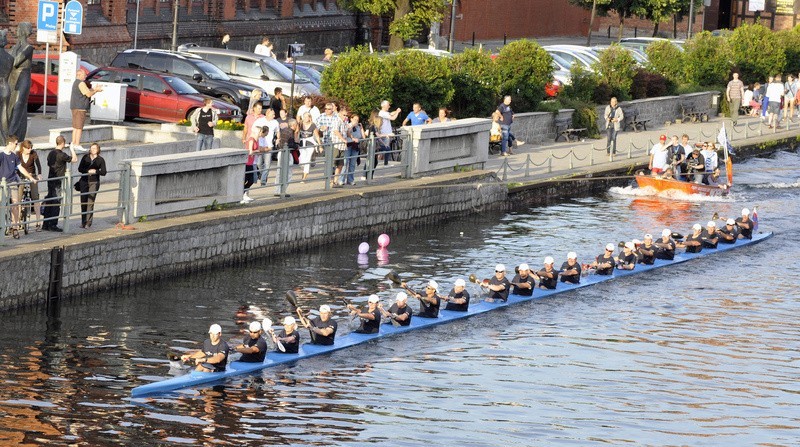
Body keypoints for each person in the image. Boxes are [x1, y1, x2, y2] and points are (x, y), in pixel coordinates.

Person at [0, 136, 35, 238]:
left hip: (13, 182)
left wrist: (30, 177)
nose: (17, 146)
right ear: (10, 143)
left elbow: (21, 168)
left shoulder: (14, 156)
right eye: (16, 144)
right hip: (2, 184)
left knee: (15, 204)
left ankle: (15, 227)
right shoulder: (1, 156)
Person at [42, 135, 77, 232]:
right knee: (56, 202)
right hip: (58, 180)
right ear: (63, 143)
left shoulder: (51, 153)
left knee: (50, 200)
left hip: (50, 179)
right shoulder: (62, 155)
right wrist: (72, 149)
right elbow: (74, 159)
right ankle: (53, 224)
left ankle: (45, 224)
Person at [69, 69, 102, 153]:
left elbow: (86, 91)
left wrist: (94, 88)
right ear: (79, 75)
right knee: (79, 127)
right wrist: (96, 91)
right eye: (84, 74)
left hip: (74, 107)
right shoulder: (81, 83)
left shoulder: (75, 82)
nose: (86, 76)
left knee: (75, 126)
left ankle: (73, 143)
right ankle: (77, 144)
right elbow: (88, 94)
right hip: (80, 108)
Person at [76, 142, 107, 229]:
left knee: (90, 201)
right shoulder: (85, 157)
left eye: (95, 148)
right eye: (92, 148)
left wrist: (96, 171)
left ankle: (88, 222)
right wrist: (87, 171)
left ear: (98, 150)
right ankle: (83, 222)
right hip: (84, 181)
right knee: (83, 201)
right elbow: (80, 169)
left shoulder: (100, 160)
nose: (93, 150)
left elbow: (104, 172)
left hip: (94, 182)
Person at [15, 139, 42, 231]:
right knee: (18, 199)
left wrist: (39, 174)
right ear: (23, 148)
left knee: (36, 198)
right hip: (21, 177)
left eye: (31, 148)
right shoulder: (18, 154)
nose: (30, 150)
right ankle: (17, 221)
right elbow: (16, 166)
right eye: (28, 148)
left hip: (32, 176)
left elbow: (38, 164)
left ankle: (38, 222)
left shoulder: (33, 153)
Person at [254, 107, 279, 187]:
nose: (274, 116)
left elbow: (277, 131)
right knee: (259, 163)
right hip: (260, 145)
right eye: (273, 114)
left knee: (267, 164)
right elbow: (254, 129)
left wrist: (278, 138)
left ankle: (263, 181)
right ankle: (262, 174)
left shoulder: (275, 122)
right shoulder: (260, 121)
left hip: (269, 146)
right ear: (267, 114)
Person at [274, 118, 297, 196]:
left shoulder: (284, 130)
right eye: (296, 125)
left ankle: (277, 190)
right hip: (286, 153)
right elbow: (290, 144)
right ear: (293, 125)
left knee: (279, 172)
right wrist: (296, 145)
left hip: (281, 152)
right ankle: (283, 190)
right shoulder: (290, 132)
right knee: (288, 172)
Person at [296, 112, 320, 182]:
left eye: (307, 117)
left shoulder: (313, 125)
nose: (306, 118)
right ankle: (304, 171)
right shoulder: (300, 124)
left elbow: (317, 135)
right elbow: (296, 132)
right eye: (304, 117)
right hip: (302, 142)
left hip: (310, 142)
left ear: (310, 118)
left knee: (307, 160)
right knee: (301, 160)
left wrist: (320, 145)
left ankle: (304, 178)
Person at [343, 113, 363, 186]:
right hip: (348, 145)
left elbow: (362, 136)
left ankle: (350, 180)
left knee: (352, 164)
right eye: (355, 119)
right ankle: (341, 179)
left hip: (355, 146)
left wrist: (361, 128)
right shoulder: (348, 125)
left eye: (357, 120)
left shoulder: (358, 127)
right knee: (345, 163)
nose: (356, 121)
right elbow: (347, 132)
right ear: (351, 119)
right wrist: (352, 125)